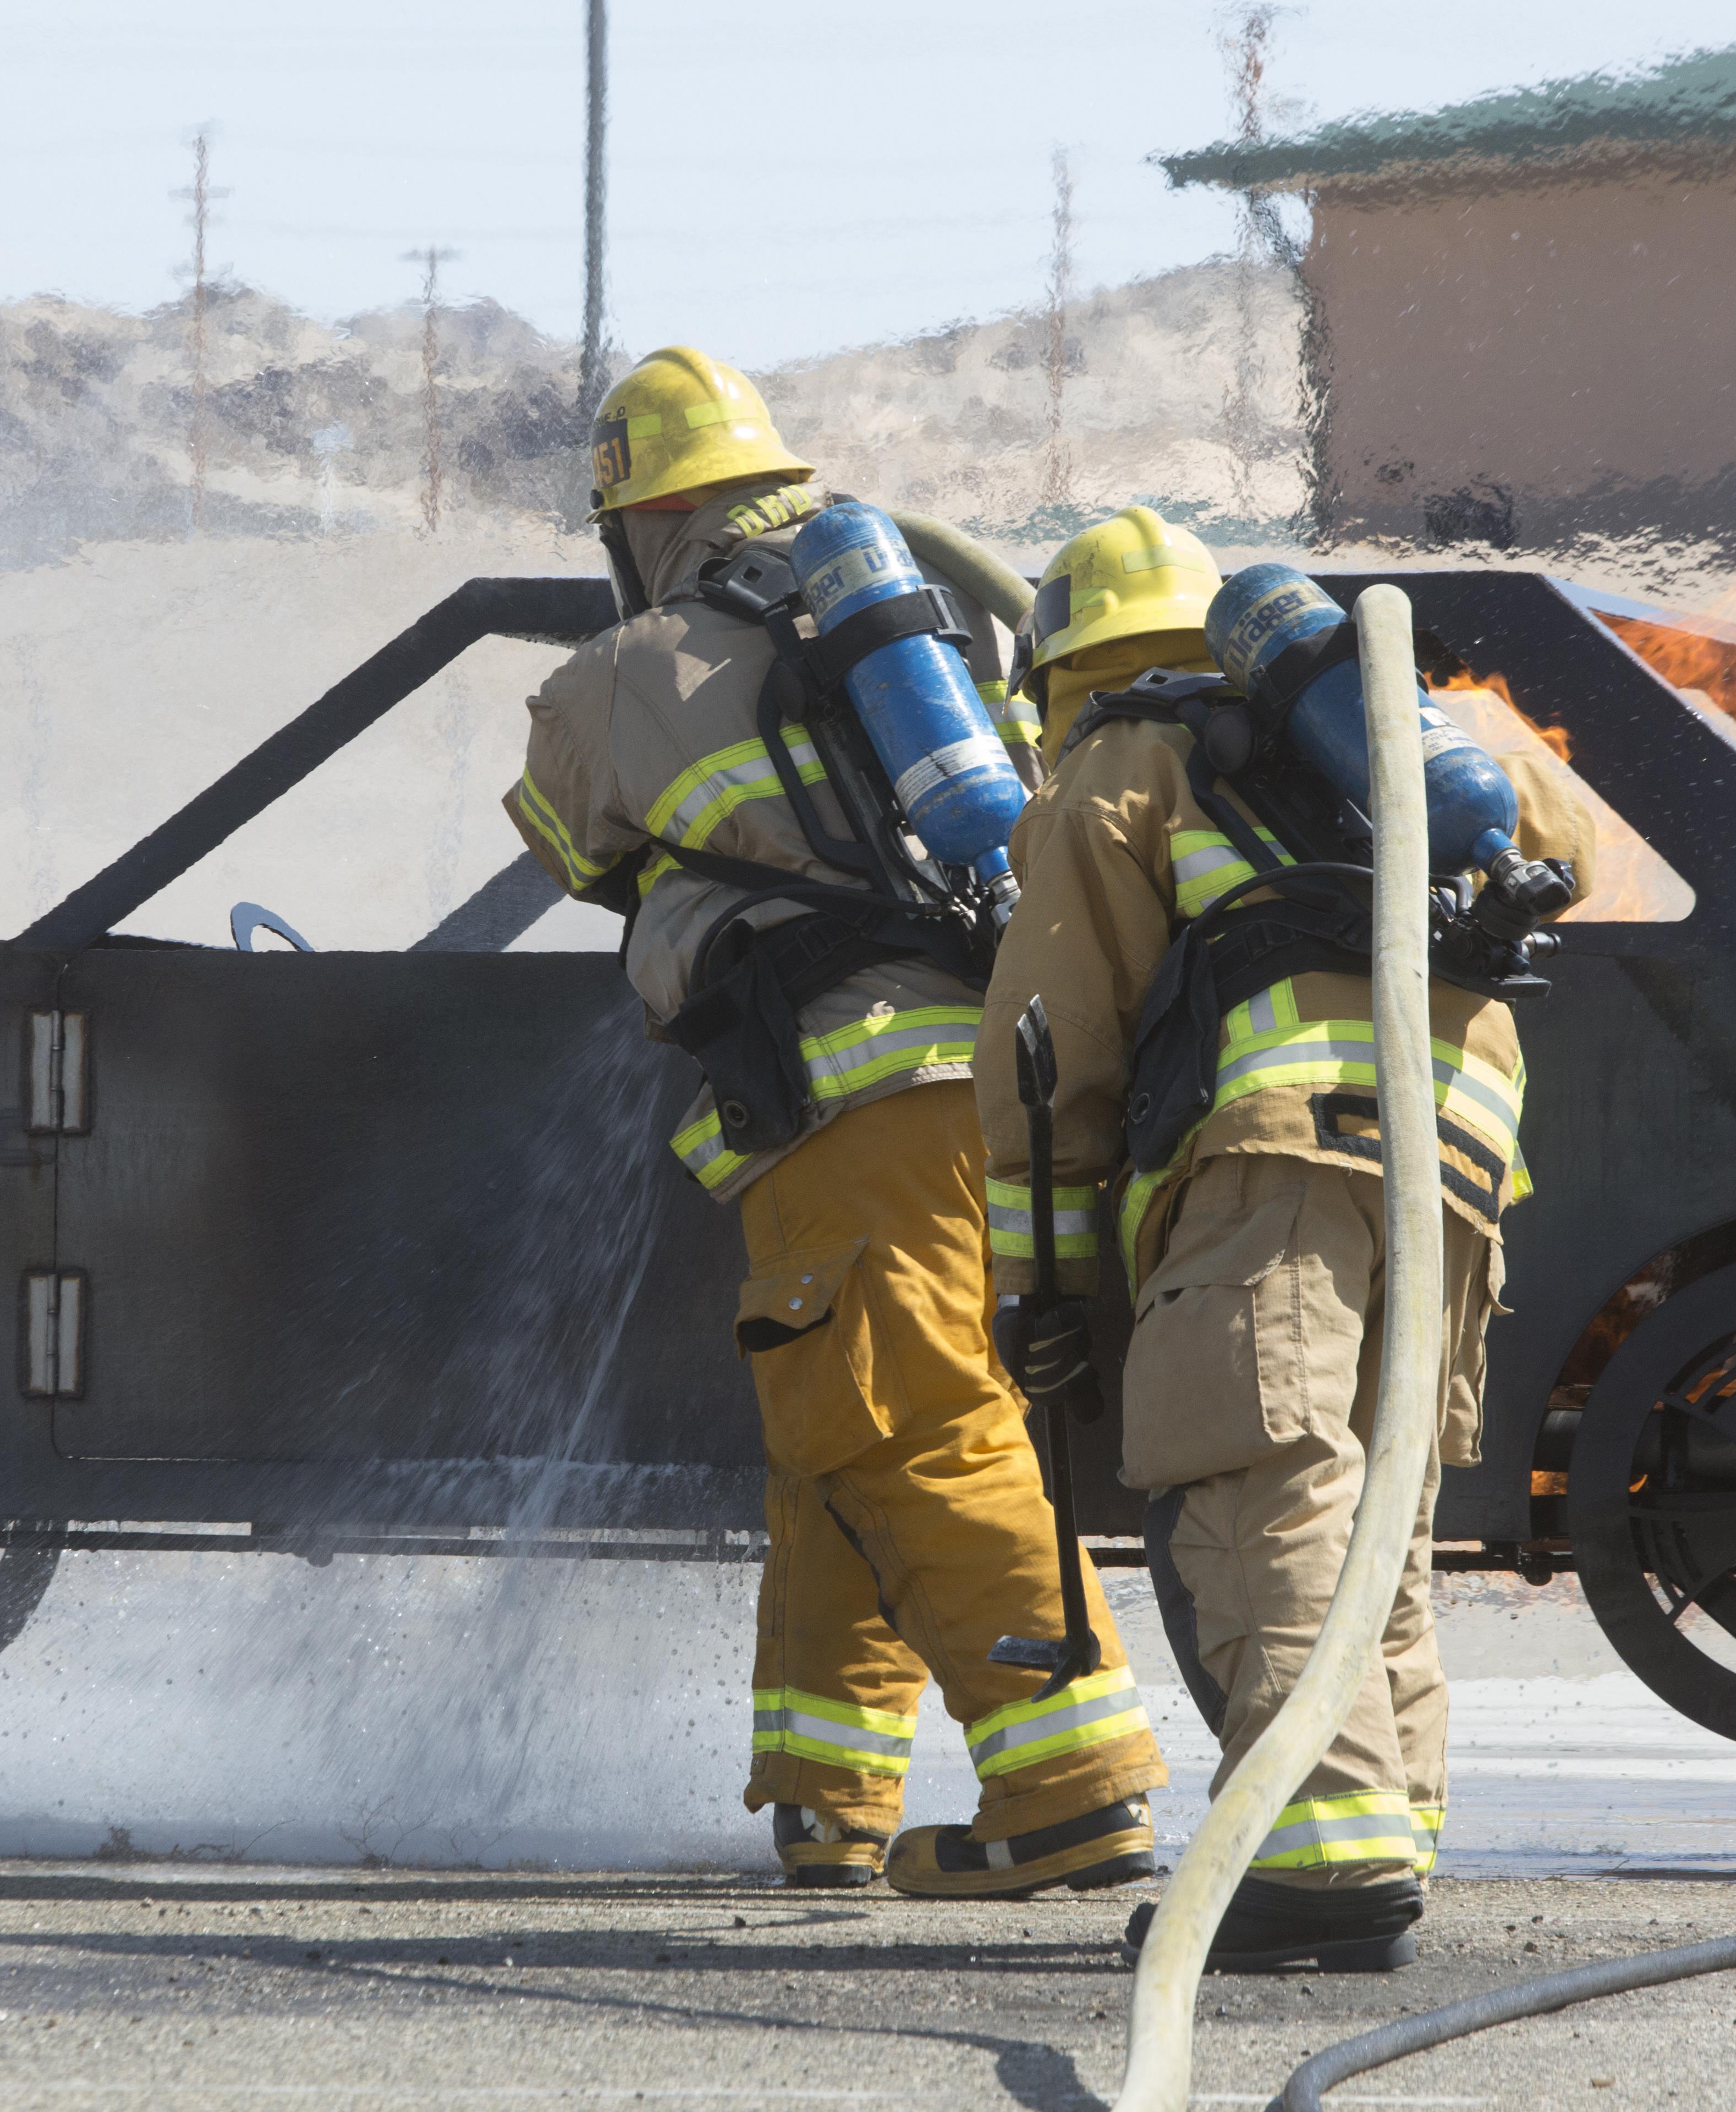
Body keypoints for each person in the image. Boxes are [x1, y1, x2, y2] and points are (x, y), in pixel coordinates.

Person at [505, 347, 1166, 1896]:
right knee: (834, 1435)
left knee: (912, 1422)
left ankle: (1075, 1788)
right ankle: (830, 1796)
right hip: (988, 1078)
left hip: (858, 1095)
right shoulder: (906, 628)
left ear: (636, 519)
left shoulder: (628, 667)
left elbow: (559, 838)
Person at [976, 508, 1594, 1968]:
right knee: (1375, 1499)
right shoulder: (1388, 732)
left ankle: (1320, 1851)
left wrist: (1046, 1285)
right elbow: (1556, 833)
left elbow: (1048, 1053)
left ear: (1063, 672)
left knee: (1270, 1478)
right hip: (1457, 1154)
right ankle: (1384, 1825)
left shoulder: (1116, 769)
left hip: (1275, 1151)